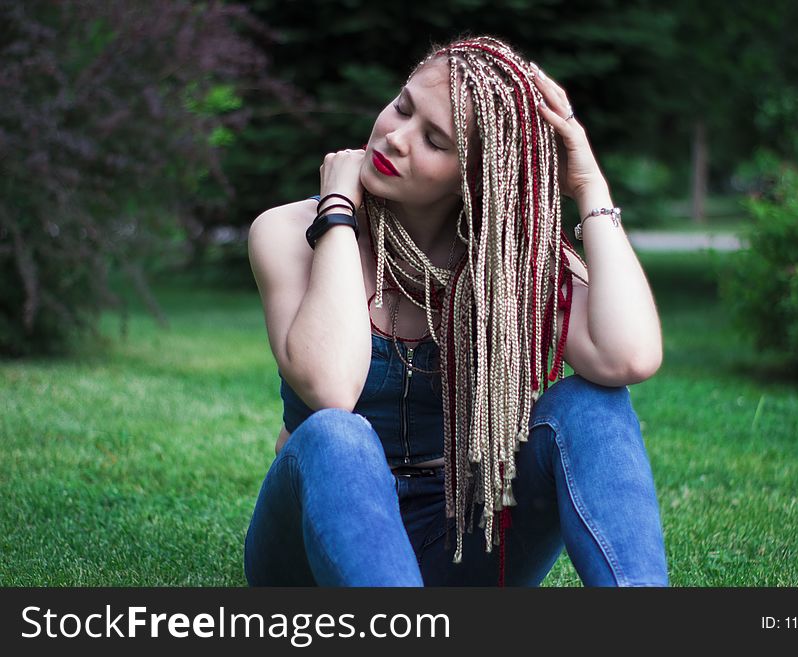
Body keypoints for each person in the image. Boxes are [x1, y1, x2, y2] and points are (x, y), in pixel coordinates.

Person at [243, 36, 669, 587]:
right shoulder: (287, 231)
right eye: (402, 106)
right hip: (312, 548)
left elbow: (628, 356)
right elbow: (331, 388)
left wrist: (588, 184)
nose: (394, 137)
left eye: (434, 140)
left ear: (474, 177)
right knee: (336, 434)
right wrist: (339, 216)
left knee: (592, 404)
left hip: (465, 541)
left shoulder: (509, 266)